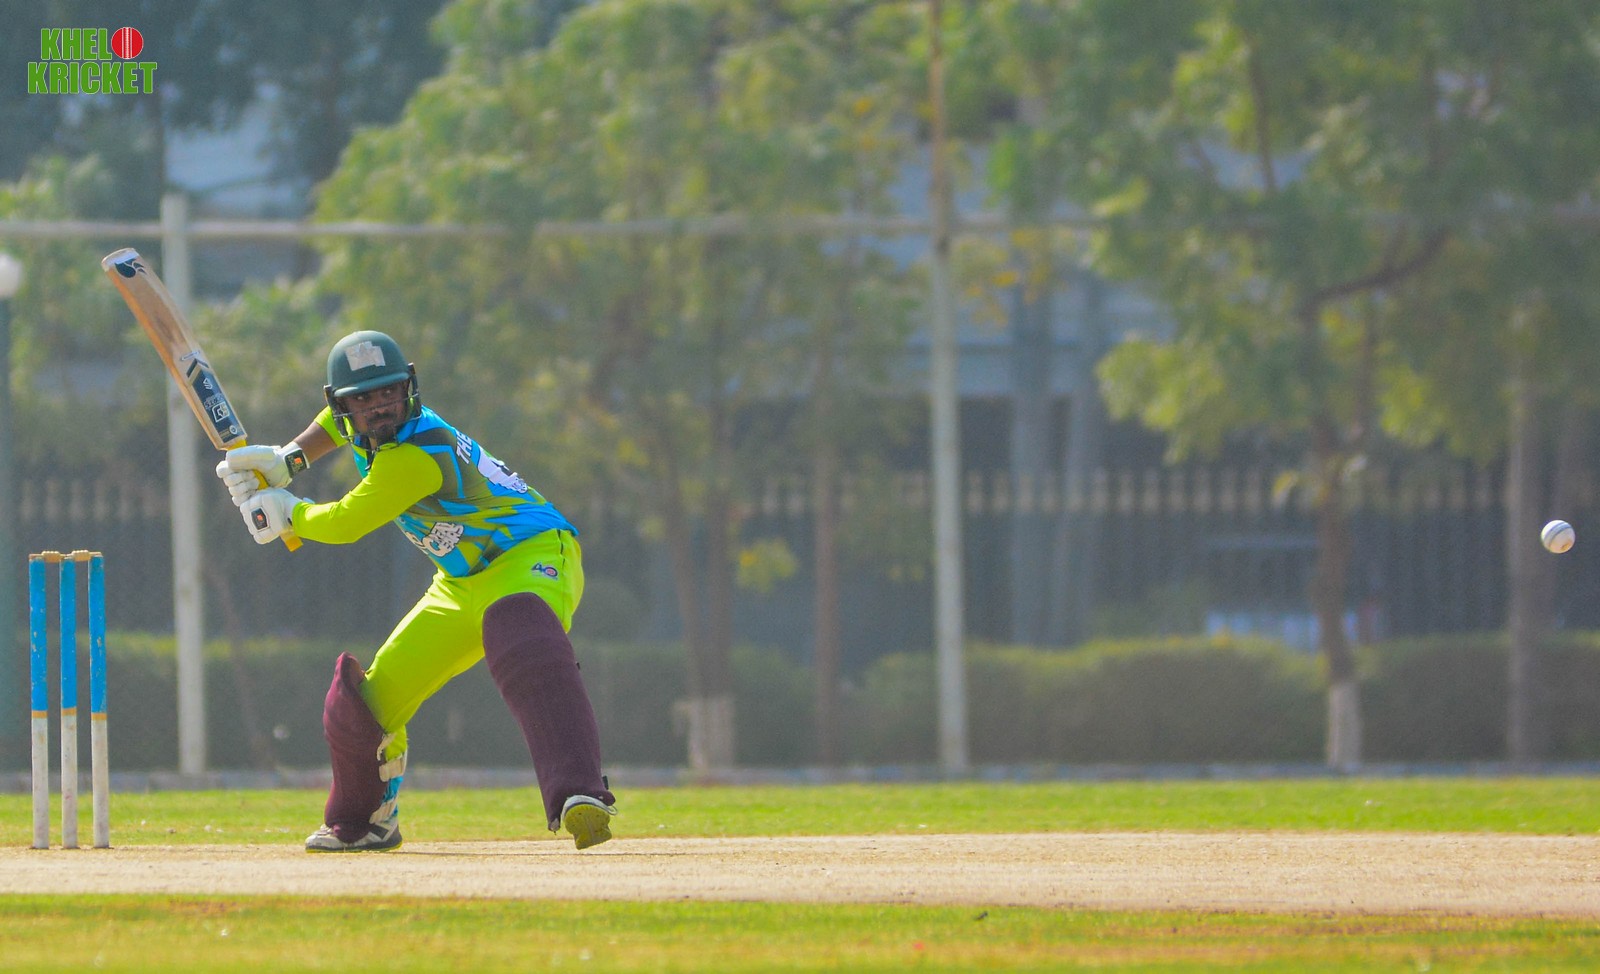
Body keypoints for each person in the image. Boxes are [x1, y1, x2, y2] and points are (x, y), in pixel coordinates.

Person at [217, 329, 617, 853]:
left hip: (530, 556)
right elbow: (332, 427)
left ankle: (580, 794)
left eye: (388, 392)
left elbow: (346, 523)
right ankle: (368, 821)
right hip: (457, 583)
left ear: (407, 389)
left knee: (518, 631)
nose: (380, 407)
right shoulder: (360, 427)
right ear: (342, 407)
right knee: (363, 707)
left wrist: (289, 512)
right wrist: (290, 458)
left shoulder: (414, 453)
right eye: (363, 399)